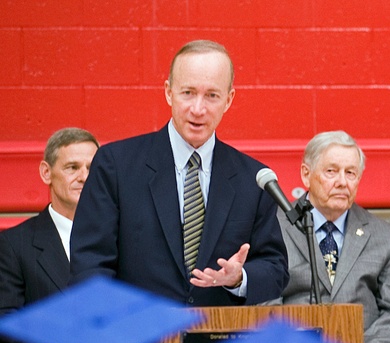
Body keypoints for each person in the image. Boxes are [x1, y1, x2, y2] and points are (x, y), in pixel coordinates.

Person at [70, 39, 287, 306]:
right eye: (188, 93)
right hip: (136, 337)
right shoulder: (116, 165)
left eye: (212, 95)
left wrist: (238, 277)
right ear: (168, 92)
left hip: (218, 341)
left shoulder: (253, 179)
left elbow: (275, 268)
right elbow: (90, 262)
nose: (198, 109)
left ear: (229, 100)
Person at [276, 131, 390, 343]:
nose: (342, 182)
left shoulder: (388, 238)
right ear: (306, 175)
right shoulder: (273, 227)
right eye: (331, 171)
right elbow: (264, 303)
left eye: (350, 173)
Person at [0, 127, 99, 343]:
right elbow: (5, 314)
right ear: (46, 173)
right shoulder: (13, 243)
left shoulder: (124, 239)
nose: (84, 177)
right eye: (72, 167)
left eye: (92, 168)